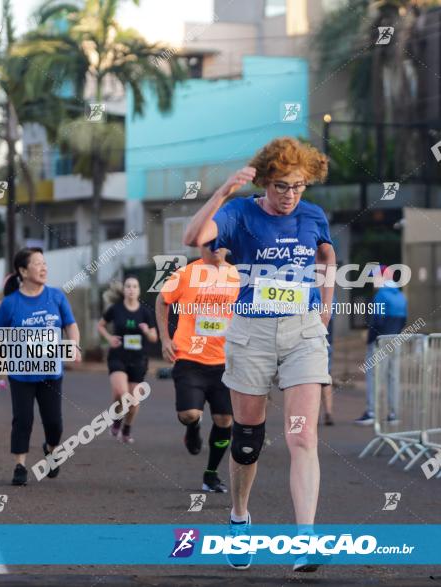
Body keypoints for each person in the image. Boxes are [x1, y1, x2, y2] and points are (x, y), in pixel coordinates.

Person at [182, 137, 335, 572]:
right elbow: (193, 237)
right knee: (247, 441)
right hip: (252, 333)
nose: (290, 195)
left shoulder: (313, 215)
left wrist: (326, 302)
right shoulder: (238, 213)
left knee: (302, 436)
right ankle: (239, 516)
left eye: (299, 186)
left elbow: (327, 253)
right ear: (266, 181)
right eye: (282, 186)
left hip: (302, 332)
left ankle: (305, 540)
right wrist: (222, 192)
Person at [0, 248, 81, 486]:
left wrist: (74, 346)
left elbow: (71, 325)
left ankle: (50, 449)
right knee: (23, 419)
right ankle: (20, 465)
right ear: (23, 271)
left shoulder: (56, 297)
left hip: (51, 372)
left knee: (54, 423)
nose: (44, 267)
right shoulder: (10, 304)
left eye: (44, 263)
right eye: (37, 264)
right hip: (20, 374)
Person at [155, 245, 239, 493]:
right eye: (208, 243)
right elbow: (162, 300)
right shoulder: (185, 274)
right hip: (189, 357)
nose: (214, 248)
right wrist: (164, 338)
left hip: (225, 361)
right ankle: (193, 428)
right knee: (188, 414)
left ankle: (211, 474)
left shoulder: (239, 276)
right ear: (200, 246)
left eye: (220, 243)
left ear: (227, 246)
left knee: (225, 420)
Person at [97, 276, 157, 444]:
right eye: (128, 286)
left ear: (139, 290)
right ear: (124, 290)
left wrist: (146, 332)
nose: (131, 289)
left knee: (133, 400)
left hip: (138, 359)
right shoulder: (115, 309)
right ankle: (117, 418)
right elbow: (100, 325)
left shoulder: (145, 312)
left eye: (134, 286)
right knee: (120, 393)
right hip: (118, 356)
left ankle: (127, 427)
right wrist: (109, 338)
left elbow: (154, 338)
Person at [355, 266, 407, 426]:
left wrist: (370, 340)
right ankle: (393, 414)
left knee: (374, 377)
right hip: (395, 340)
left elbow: (376, 322)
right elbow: (403, 321)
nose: (373, 281)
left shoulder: (380, 296)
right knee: (393, 377)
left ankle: (371, 412)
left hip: (379, 342)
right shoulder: (401, 296)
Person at [321, 317, 334, 426]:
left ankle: (309, 416)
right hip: (326, 342)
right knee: (325, 377)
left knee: (306, 382)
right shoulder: (332, 300)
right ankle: (328, 413)